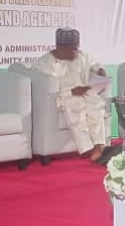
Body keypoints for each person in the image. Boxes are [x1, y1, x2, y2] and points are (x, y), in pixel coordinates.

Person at [33, 28, 109, 163]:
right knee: (75, 104)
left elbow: (94, 64)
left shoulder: (81, 56)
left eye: (77, 47)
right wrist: (72, 92)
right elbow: (45, 91)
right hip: (63, 97)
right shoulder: (45, 63)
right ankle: (86, 148)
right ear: (60, 47)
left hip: (84, 93)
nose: (76, 51)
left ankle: (99, 145)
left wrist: (100, 71)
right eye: (73, 49)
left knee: (95, 104)